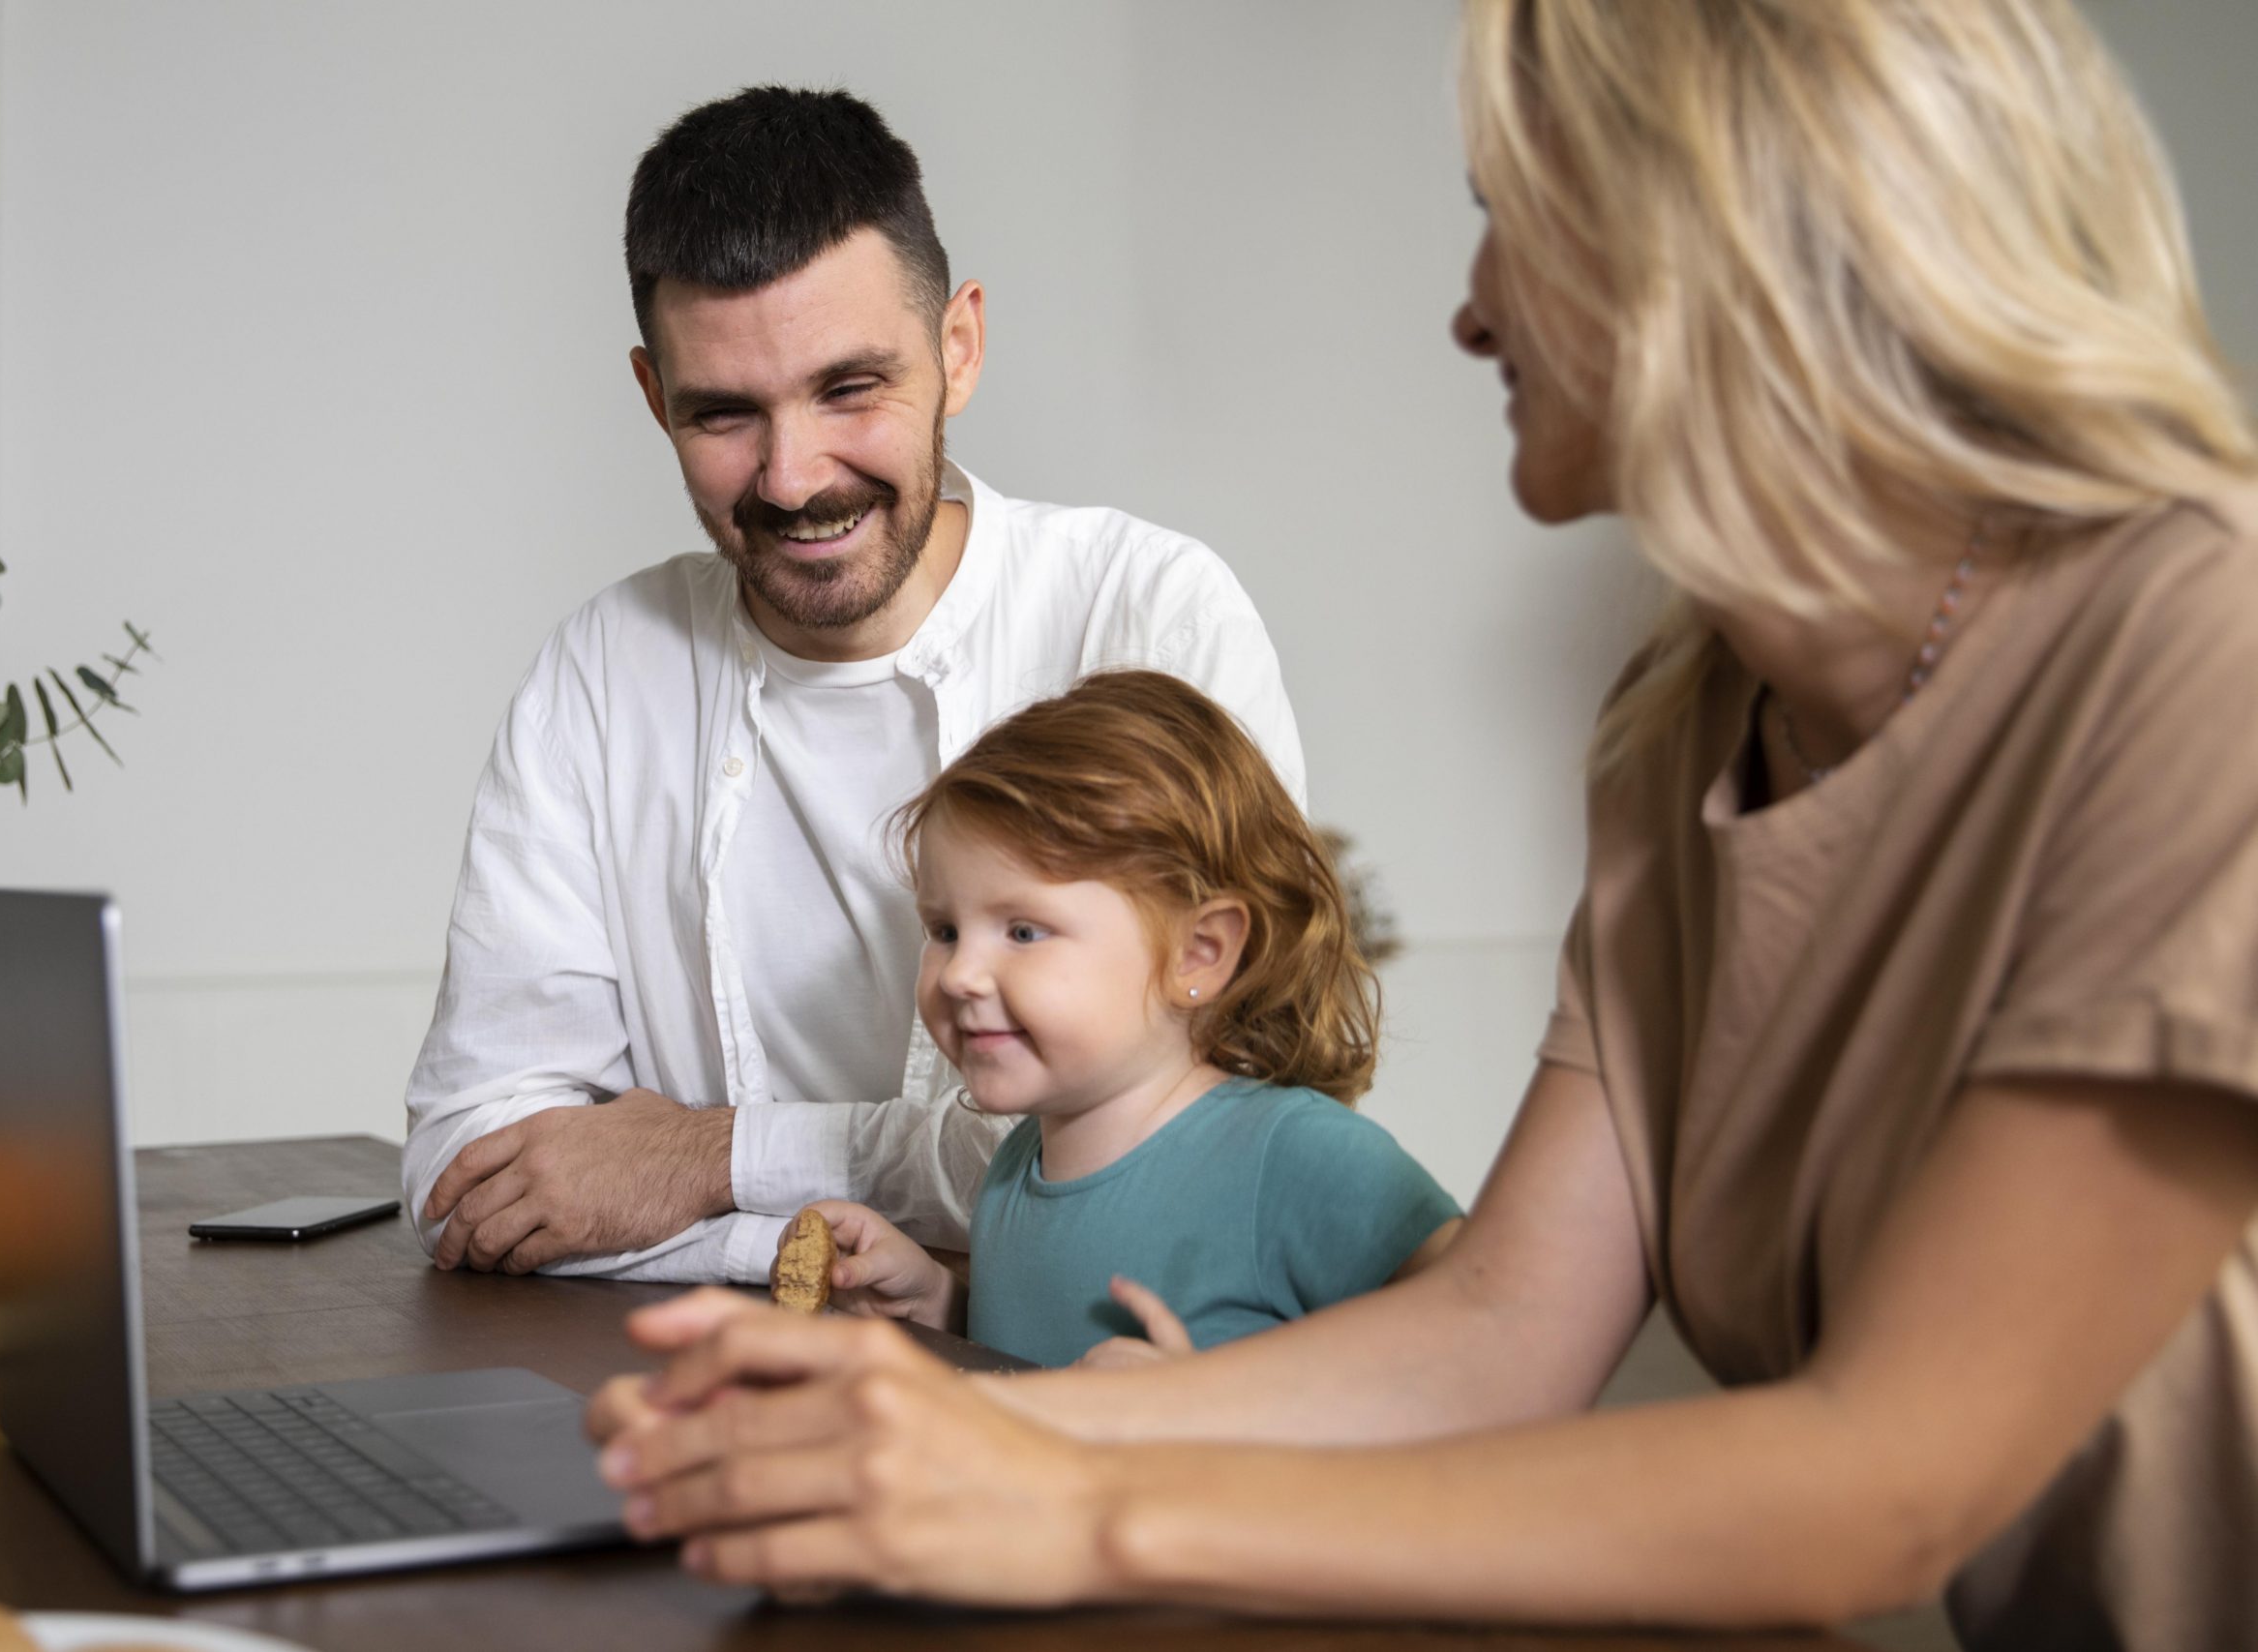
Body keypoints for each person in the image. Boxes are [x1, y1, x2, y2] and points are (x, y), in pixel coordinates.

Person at [584, 3, 2258, 1644]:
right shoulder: (1684, 727)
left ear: (1713, 245)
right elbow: (1499, 1326)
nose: (1471, 311)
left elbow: (1880, 1482)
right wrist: (928, 1426)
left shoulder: (2203, 645)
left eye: (1509, 226)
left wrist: (1075, 1500)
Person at [401, 86, 1303, 1285]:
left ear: (959, 347)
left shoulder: (1147, 614)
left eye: (848, 389)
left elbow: (1209, 1145)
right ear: (652, 395)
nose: (790, 477)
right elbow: (474, 1171)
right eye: (723, 412)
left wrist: (714, 1158)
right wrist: (834, 1251)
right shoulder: (601, 668)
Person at [797, 671, 1460, 1367]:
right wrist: (939, 1302)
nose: (959, 973)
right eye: (945, 929)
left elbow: (1496, 1360)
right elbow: (1041, 1358)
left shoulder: (1300, 1158)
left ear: (1198, 954)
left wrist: (1207, 1407)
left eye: (1023, 931)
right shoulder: (1017, 1168)